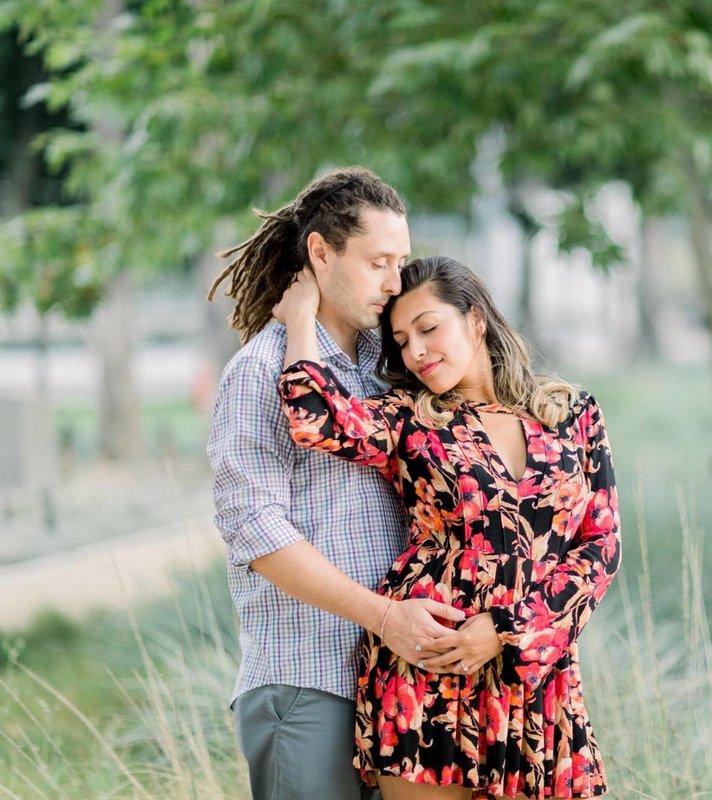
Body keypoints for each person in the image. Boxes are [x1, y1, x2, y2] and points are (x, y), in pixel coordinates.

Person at [272, 255, 622, 799]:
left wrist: (506, 628)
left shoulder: (571, 413)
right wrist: (300, 319)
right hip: (426, 669)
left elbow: (600, 546)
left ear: (475, 320)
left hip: (536, 676)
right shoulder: (409, 416)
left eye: (429, 328)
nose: (415, 351)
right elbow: (317, 419)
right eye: (402, 339)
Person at [207, 167, 465, 800]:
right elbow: (255, 530)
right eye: (378, 261)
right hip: (308, 683)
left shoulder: (391, 366)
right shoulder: (260, 370)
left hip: (401, 685)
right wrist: (384, 617)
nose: (395, 281)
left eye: (401, 262)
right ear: (320, 253)